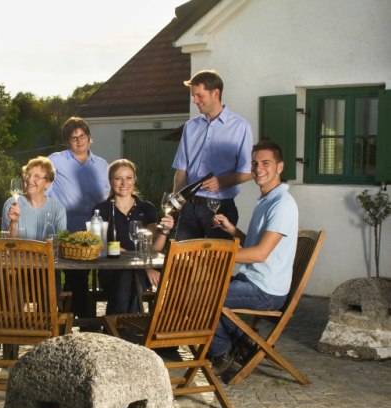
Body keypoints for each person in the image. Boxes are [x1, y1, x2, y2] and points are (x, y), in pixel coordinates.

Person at [207, 141, 298, 375]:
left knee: (203, 297)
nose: (258, 168)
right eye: (255, 163)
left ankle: (223, 351)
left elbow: (259, 254)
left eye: (266, 163)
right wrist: (232, 230)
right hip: (253, 281)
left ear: (279, 167)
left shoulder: (282, 204)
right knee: (202, 289)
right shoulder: (267, 200)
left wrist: (219, 256)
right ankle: (245, 345)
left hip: (266, 291)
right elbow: (253, 245)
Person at [171, 69, 253, 241]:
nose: (195, 101)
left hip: (220, 209)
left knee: (216, 264)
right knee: (181, 264)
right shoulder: (190, 126)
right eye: (193, 96)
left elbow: (248, 172)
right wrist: (175, 202)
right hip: (189, 208)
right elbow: (181, 170)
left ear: (216, 93)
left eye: (199, 96)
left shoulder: (240, 127)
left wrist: (221, 182)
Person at [47, 117, 110, 324]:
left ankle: (75, 318)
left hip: (97, 229)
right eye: (74, 138)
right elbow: (44, 190)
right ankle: (86, 323)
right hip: (67, 229)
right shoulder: (55, 161)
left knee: (107, 274)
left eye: (82, 136)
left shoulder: (102, 165)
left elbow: (109, 197)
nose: (79, 141)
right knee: (78, 277)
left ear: (89, 137)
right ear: (67, 141)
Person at [93, 159, 174, 315]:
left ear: (134, 179)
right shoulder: (101, 210)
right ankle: (126, 331)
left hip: (141, 271)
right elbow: (105, 245)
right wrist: (145, 266)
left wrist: (165, 232)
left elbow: (153, 248)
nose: (124, 183)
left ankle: (115, 329)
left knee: (129, 276)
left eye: (129, 178)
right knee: (126, 275)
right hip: (112, 270)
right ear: (110, 181)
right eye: (118, 178)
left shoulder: (147, 208)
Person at [2, 156, 66, 239]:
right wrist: (14, 222)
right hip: (18, 252)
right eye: (28, 175)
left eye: (37, 176)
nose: (29, 180)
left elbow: (60, 243)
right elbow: (7, 245)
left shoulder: (58, 209)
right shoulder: (11, 203)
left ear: (48, 182)